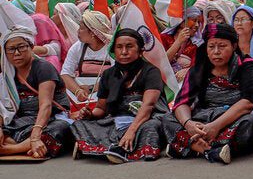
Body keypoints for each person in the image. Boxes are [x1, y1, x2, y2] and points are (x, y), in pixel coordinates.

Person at [162, 24, 253, 164]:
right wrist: (189, 124)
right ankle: (211, 150)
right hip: (204, 118)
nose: (216, 51)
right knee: (168, 118)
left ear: (234, 46)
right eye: (211, 47)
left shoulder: (247, 66)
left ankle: (189, 146)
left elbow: (247, 103)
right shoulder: (198, 69)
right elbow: (182, 102)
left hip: (232, 118)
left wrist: (215, 126)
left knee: (251, 124)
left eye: (222, 46)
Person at [70, 29, 167, 163]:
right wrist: (89, 114)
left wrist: (131, 131)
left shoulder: (151, 72)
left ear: (140, 51)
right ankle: (117, 148)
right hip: (117, 119)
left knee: (152, 127)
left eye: (129, 46)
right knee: (80, 124)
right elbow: (101, 109)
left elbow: (148, 106)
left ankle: (115, 149)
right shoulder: (108, 74)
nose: (124, 52)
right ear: (113, 51)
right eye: (119, 47)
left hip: (144, 119)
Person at [0, 27, 72, 159]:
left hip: (50, 118)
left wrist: (35, 136)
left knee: (59, 129)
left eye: (21, 47)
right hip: (21, 121)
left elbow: (46, 105)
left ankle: (10, 149)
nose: (16, 53)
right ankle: (26, 146)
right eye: (11, 49)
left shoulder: (43, 68)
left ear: (31, 47)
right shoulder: (7, 73)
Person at [60, 11, 113, 101]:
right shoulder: (78, 47)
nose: (78, 31)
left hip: (106, 92)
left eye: (81, 28)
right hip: (83, 93)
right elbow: (65, 74)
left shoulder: (111, 48)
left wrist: (91, 88)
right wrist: (78, 92)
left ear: (92, 32)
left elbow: (117, 76)